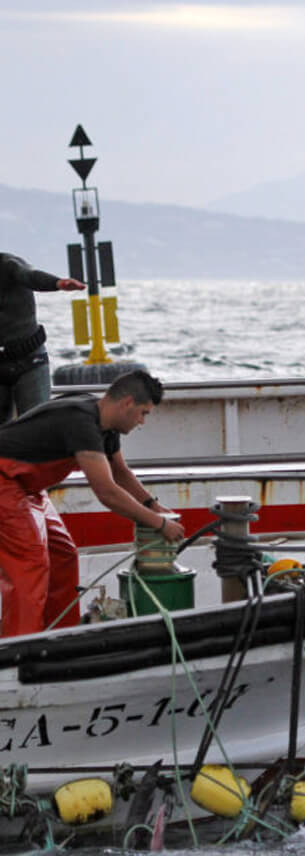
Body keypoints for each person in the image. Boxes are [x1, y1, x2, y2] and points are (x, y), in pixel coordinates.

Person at [0, 369, 185, 637]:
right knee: (29, 562)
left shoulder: (104, 423)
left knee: (63, 553)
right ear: (127, 404)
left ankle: (57, 638)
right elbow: (106, 491)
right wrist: (159, 523)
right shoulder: (81, 423)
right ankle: (18, 650)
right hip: (5, 480)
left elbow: (119, 473)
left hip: (27, 486)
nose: (142, 422)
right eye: (143, 413)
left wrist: (153, 506)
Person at [0, 252, 86, 424]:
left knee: (37, 424)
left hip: (30, 359)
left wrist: (57, 283)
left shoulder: (8, 264)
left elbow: (30, 276)